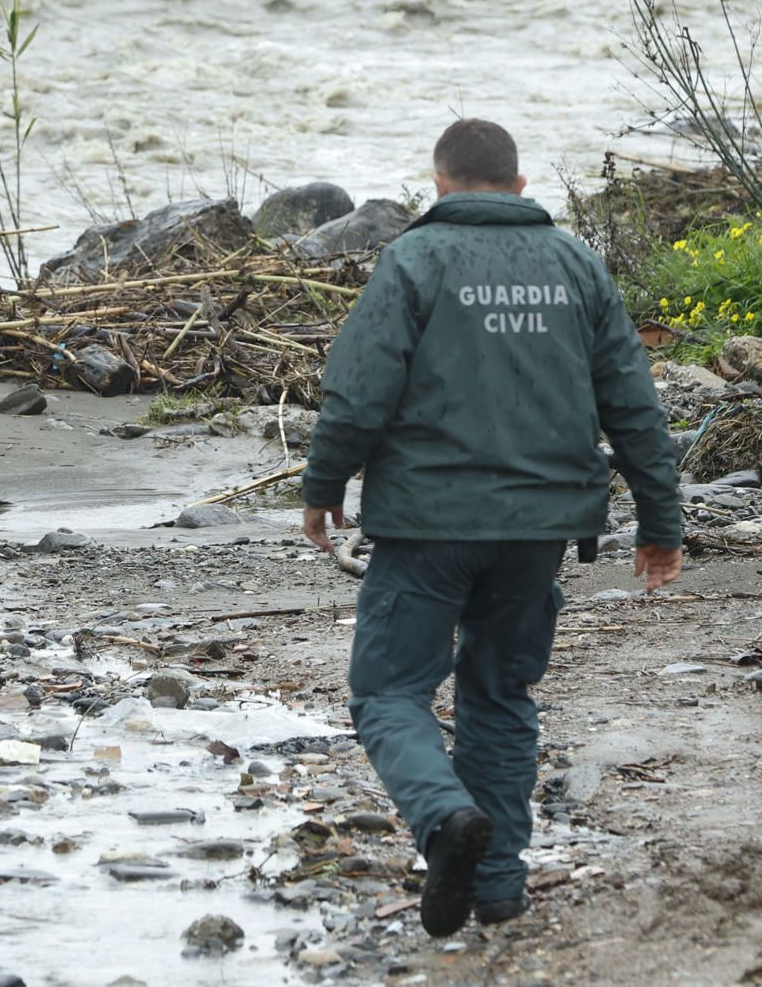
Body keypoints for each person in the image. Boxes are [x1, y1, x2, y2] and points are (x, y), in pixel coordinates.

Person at [300, 118, 685, 937]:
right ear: (519, 185)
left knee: (389, 691)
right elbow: (632, 403)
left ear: (437, 185)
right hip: (541, 528)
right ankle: (500, 887)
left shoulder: (413, 258)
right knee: (501, 694)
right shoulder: (576, 263)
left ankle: (443, 818)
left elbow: (359, 391)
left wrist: (324, 482)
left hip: (428, 527)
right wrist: (661, 522)